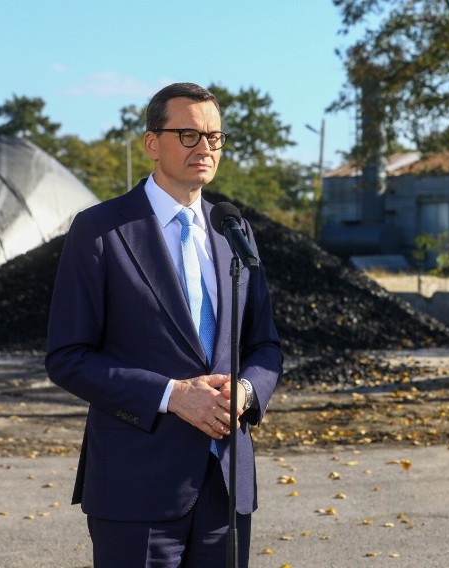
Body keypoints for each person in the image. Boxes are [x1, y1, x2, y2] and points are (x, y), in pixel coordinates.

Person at [46, 82, 283, 567]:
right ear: (152, 143)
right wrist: (172, 395)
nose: (205, 148)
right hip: (136, 489)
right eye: (189, 135)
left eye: (215, 137)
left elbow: (265, 346)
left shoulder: (233, 229)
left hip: (225, 486)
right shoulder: (100, 230)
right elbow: (68, 357)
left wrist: (245, 391)